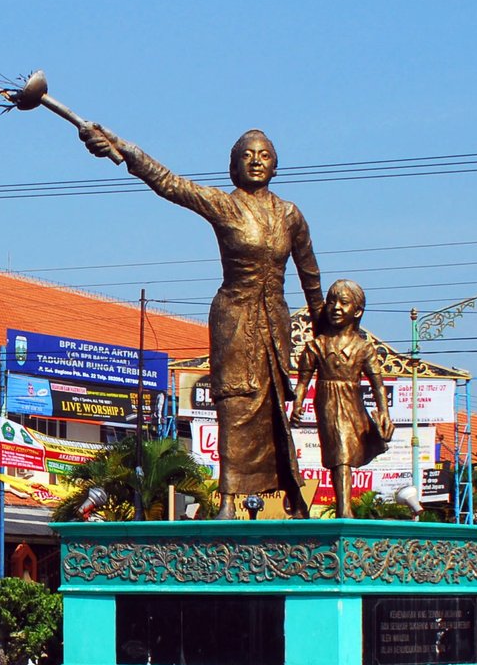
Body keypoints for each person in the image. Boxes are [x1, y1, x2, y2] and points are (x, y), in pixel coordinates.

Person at [78, 123, 324, 518]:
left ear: (276, 166)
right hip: (234, 317)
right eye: (247, 155)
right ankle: (227, 499)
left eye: (264, 155)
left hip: (274, 324)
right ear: (233, 167)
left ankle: (291, 496)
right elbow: (170, 184)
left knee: (274, 409)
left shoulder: (290, 215)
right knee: (233, 405)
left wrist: (325, 328)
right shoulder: (223, 204)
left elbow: (309, 274)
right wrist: (123, 150)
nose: (256, 161)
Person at [289, 279, 393, 518]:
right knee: (340, 453)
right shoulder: (317, 345)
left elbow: (378, 385)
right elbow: (303, 381)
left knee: (346, 452)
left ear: (357, 311)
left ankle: (344, 508)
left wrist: (384, 414)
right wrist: (298, 403)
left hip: (354, 404)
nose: (336, 307)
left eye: (343, 303)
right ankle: (344, 509)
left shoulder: (364, 348)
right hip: (328, 403)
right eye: (331, 302)